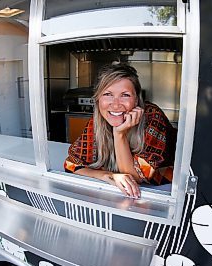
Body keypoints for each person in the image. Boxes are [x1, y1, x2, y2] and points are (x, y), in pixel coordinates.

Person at [64, 63, 176, 198]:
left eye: (125, 95)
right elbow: (72, 164)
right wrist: (107, 176)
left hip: (163, 193)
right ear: (98, 99)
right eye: (108, 94)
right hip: (121, 196)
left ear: (136, 100)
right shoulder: (98, 121)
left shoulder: (152, 116)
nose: (116, 104)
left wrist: (119, 133)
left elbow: (135, 177)